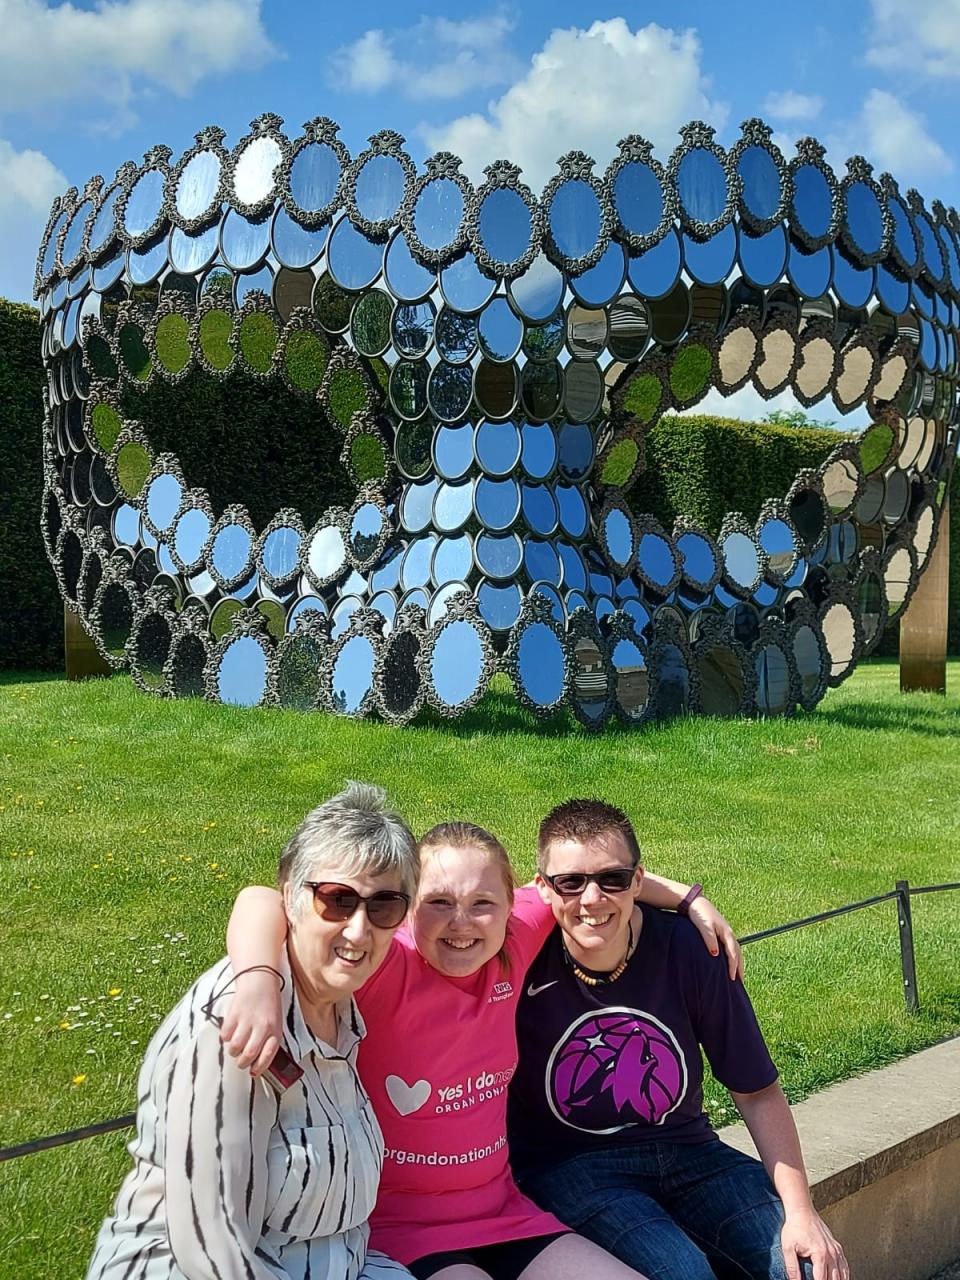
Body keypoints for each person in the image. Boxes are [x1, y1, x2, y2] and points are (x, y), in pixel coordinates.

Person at [224, 818, 741, 1280]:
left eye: (481, 904)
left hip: (504, 1211)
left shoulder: (512, 939)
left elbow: (595, 883)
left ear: (513, 906)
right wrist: (257, 979)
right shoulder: (385, 966)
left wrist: (687, 897)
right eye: (439, 903)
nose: (461, 923)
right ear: (405, 909)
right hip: (403, 1226)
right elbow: (263, 898)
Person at [87, 782, 419, 1280]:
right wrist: (260, 982)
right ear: (292, 898)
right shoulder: (234, 1024)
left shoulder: (339, 1001)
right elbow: (210, 1249)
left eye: (384, 906)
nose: (358, 929)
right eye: (336, 900)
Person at [507, 798, 848, 1280]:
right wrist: (687, 894)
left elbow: (756, 1090)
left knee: (809, 1267)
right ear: (544, 888)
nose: (591, 899)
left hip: (689, 1149)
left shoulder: (691, 948)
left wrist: (802, 1213)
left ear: (637, 881)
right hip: (571, 1165)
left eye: (612, 879)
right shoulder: (519, 955)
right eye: (571, 882)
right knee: (683, 1273)